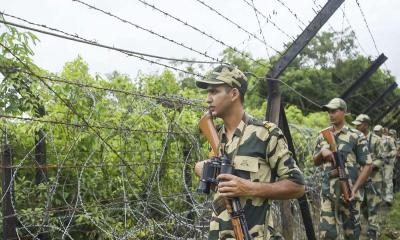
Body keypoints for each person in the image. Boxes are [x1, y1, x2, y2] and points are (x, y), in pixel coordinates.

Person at [194, 65, 305, 239]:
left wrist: (248, 188)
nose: (208, 99)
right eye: (208, 93)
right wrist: (203, 168)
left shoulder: (266, 134)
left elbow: (297, 186)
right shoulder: (216, 136)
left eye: (214, 92)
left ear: (234, 94)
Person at [313, 98, 372, 240]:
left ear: (344, 112)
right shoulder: (323, 136)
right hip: (328, 193)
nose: (330, 114)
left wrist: (355, 189)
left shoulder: (356, 136)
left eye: (334, 111)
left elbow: (368, 165)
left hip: (349, 195)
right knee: (326, 235)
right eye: (329, 111)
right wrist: (322, 153)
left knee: (351, 235)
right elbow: (315, 161)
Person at [353, 114, 383, 239]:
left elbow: (381, 158)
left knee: (373, 204)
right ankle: (371, 224)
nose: (356, 126)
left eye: (359, 124)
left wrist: (369, 167)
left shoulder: (376, 140)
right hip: (359, 178)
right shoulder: (355, 139)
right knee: (363, 205)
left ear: (365, 124)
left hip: (373, 177)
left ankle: (374, 230)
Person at [381, 128, 397, 206]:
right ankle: (382, 197)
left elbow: (394, 151)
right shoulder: (378, 139)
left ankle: (389, 198)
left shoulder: (390, 140)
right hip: (380, 162)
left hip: (389, 162)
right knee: (382, 180)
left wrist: (388, 155)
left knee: (388, 179)